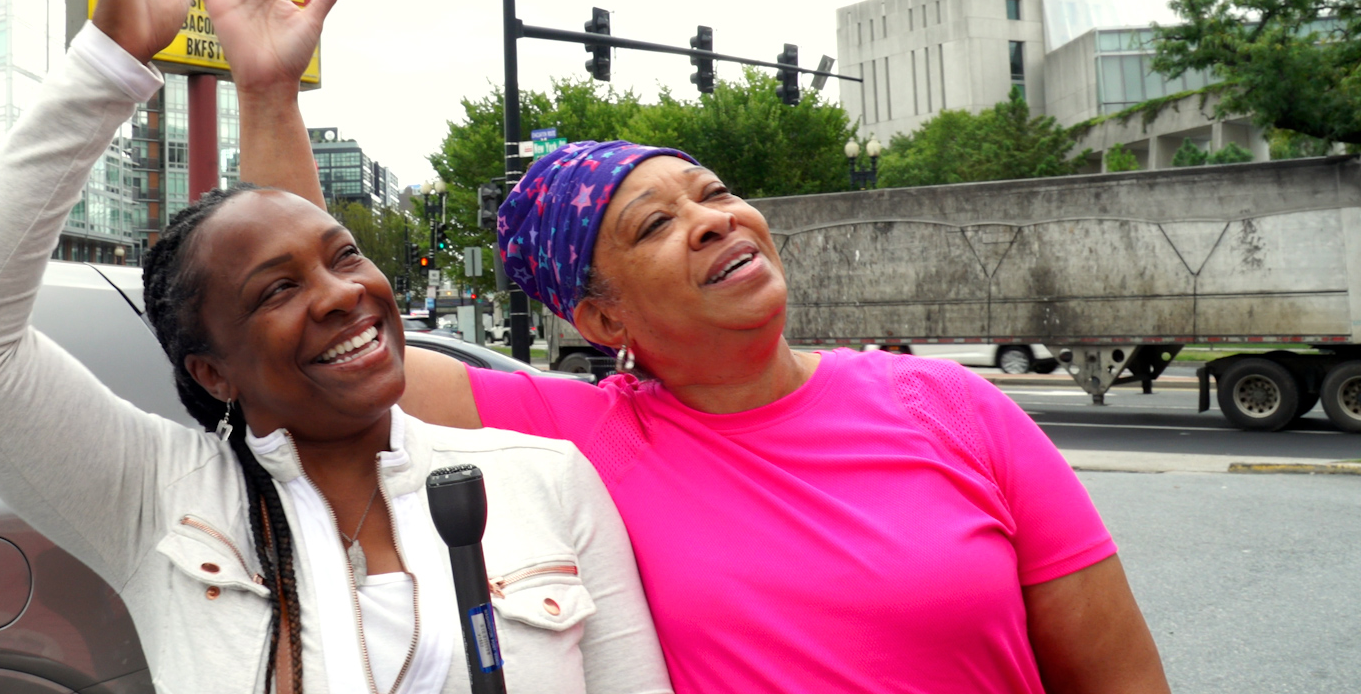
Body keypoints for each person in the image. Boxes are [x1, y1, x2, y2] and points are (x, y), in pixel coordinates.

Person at [0, 0, 670, 694]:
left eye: (344, 257)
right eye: (276, 291)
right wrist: (108, 64)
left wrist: (271, 94)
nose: (344, 296)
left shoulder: (545, 481)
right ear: (213, 372)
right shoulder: (155, 498)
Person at [233, 62, 1173, 688]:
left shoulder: (955, 408)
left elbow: (1124, 680)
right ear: (602, 319)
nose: (716, 218)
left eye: (715, 192)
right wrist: (272, 94)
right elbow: (324, 336)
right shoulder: (579, 440)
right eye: (655, 224)